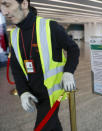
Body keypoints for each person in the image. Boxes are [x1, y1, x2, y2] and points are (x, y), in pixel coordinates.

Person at [1, 0, 80, 130]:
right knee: (53, 125)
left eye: (7, 4)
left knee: (42, 127)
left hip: (51, 93)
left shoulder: (50, 27)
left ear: (24, 4)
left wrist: (68, 71)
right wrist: (23, 92)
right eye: (1, 7)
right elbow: (16, 68)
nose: (4, 12)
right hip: (34, 93)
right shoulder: (14, 34)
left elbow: (73, 49)